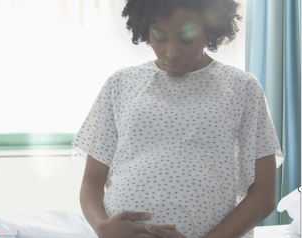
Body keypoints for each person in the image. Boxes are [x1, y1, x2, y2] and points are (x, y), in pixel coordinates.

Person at [72, 0, 284, 238]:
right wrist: (102, 226)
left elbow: (263, 196)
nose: (172, 53)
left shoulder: (243, 88)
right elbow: (91, 182)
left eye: (187, 38)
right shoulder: (120, 84)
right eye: (160, 38)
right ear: (145, 31)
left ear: (209, 31)